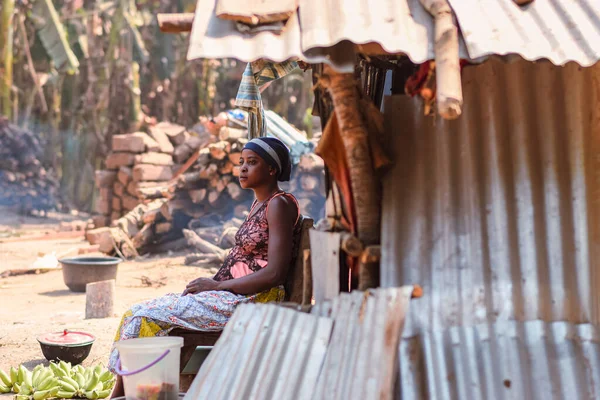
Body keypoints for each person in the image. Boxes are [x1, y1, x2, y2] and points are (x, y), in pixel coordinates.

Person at [107, 137, 301, 379]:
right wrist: (216, 286)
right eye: (241, 162)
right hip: (237, 295)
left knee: (142, 316)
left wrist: (218, 286)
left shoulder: (279, 204)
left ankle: (128, 392)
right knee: (136, 313)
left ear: (272, 169)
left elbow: (275, 273)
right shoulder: (260, 204)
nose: (242, 168)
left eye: (252, 162)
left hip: (255, 301)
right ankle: (132, 389)